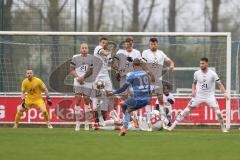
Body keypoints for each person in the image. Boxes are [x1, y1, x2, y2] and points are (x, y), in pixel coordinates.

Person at [167, 57, 229, 132]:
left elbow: (219, 84)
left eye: (203, 63)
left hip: (209, 96)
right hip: (198, 96)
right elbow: (194, 83)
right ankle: (173, 126)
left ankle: (223, 128)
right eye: (200, 63)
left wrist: (224, 93)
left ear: (207, 63)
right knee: (186, 110)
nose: (201, 65)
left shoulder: (213, 74)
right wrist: (193, 91)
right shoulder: (196, 73)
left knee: (218, 112)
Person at [109, 58, 152, 136]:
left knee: (127, 109)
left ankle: (124, 127)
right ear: (140, 65)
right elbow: (149, 88)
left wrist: (113, 93)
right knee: (124, 104)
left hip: (137, 100)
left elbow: (123, 88)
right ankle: (132, 120)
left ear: (133, 65)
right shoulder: (145, 74)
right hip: (146, 100)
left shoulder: (132, 75)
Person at [142, 37, 174, 129]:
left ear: (157, 44)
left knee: (160, 100)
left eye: (155, 44)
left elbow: (170, 61)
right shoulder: (145, 52)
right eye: (151, 44)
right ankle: (148, 121)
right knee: (148, 100)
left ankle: (164, 120)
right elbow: (143, 64)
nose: (153, 45)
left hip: (158, 80)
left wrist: (171, 65)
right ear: (149, 44)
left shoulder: (161, 53)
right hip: (148, 79)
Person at [70, 43, 94, 131]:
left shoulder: (91, 58)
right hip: (77, 81)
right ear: (80, 49)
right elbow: (71, 69)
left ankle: (87, 123)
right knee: (78, 99)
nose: (84, 49)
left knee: (87, 100)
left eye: (85, 48)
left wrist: (83, 77)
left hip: (87, 81)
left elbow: (91, 70)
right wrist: (77, 78)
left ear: (88, 49)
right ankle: (77, 123)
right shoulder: (75, 57)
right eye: (82, 48)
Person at [93, 37, 115, 125]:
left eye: (106, 43)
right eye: (103, 42)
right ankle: (98, 118)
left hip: (106, 76)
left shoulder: (108, 53)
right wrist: (111, 50)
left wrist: (118, 68)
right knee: (99, 97)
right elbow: (105, 53)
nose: (104, 44)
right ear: (100, 43)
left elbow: (110, 63)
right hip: (98, 76)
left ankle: (113, 114)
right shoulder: (98, 48)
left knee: (110, 94)